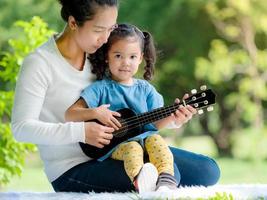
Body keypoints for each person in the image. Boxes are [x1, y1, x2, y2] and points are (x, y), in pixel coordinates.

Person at [11, 0, 220, 193]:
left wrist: (174, 119)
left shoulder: (101, 55)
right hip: (73, 168)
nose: (105, 39)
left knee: (207, 170)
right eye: (99, 30)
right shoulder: (40, 64)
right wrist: (81, 132)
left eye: (110, 29)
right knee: (161, 171)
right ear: (73, 23)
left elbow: (131, 103)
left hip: (124, 145)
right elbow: (21, 129)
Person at [65, 23, 184, 193]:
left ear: (141, 58)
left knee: (157, 140)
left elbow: (155, 125)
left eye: (132, 57)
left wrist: (174, 117)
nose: (126, 63)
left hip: (148, 142)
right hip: (116, 147)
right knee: (132, 148)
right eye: (118, 55)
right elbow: (70, 114)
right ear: (107, 56)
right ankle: (140, 182)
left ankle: (166, 182)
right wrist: (96, 112)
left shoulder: (146, 90)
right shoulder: (100, 89)